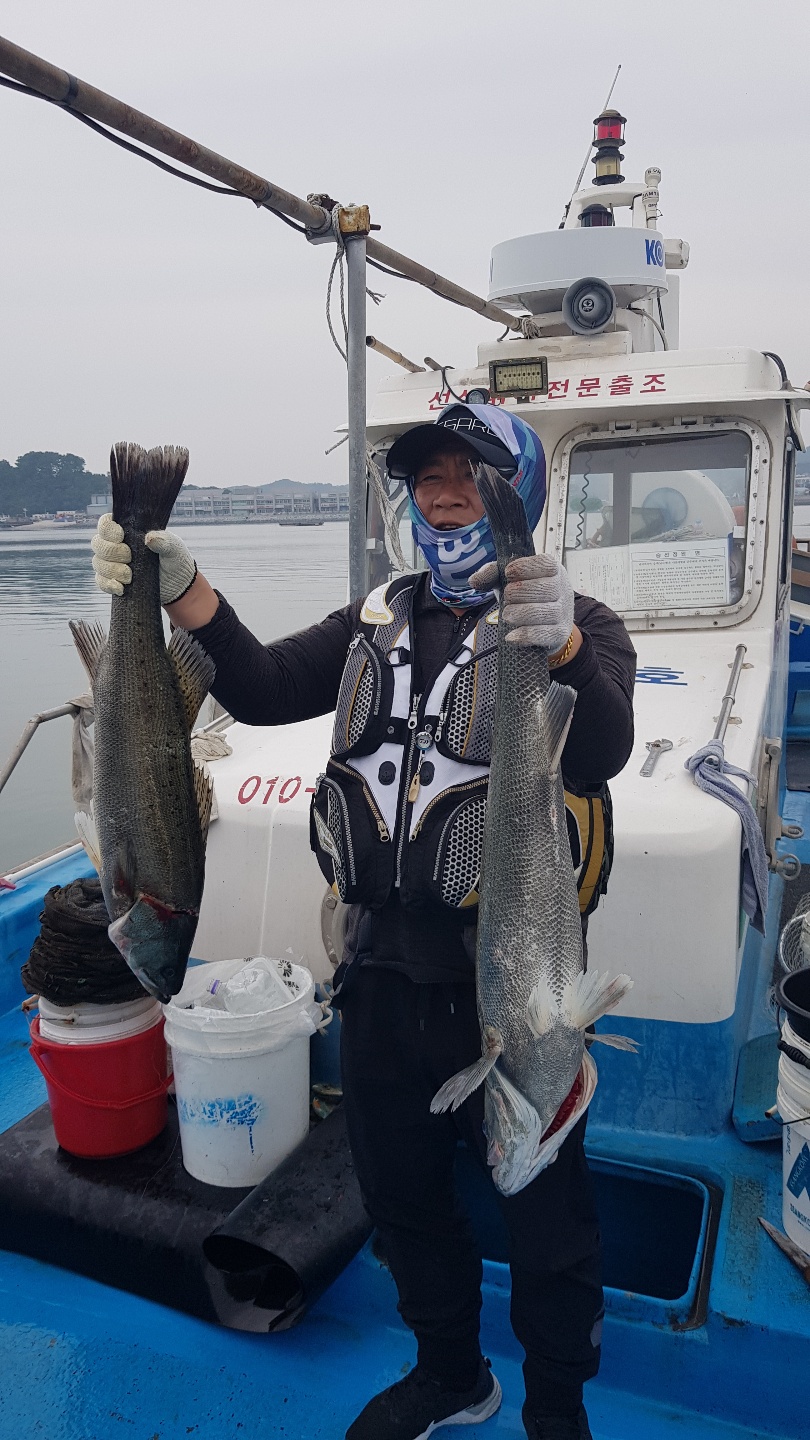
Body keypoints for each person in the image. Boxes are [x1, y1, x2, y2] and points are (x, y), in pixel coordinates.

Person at [92, 404, 636, 1440]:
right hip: (378, 974)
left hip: (512, 987)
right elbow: (259, 689)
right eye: (429, 477)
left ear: (520, 490)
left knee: (549, 1223)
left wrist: (562, 641)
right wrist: (178, 588)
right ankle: (450, 1375)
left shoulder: (586, 625)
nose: (447, 495)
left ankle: (559, 1409)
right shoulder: (372, 617)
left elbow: (604, 746)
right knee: (402, 1198)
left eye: (472, 475)